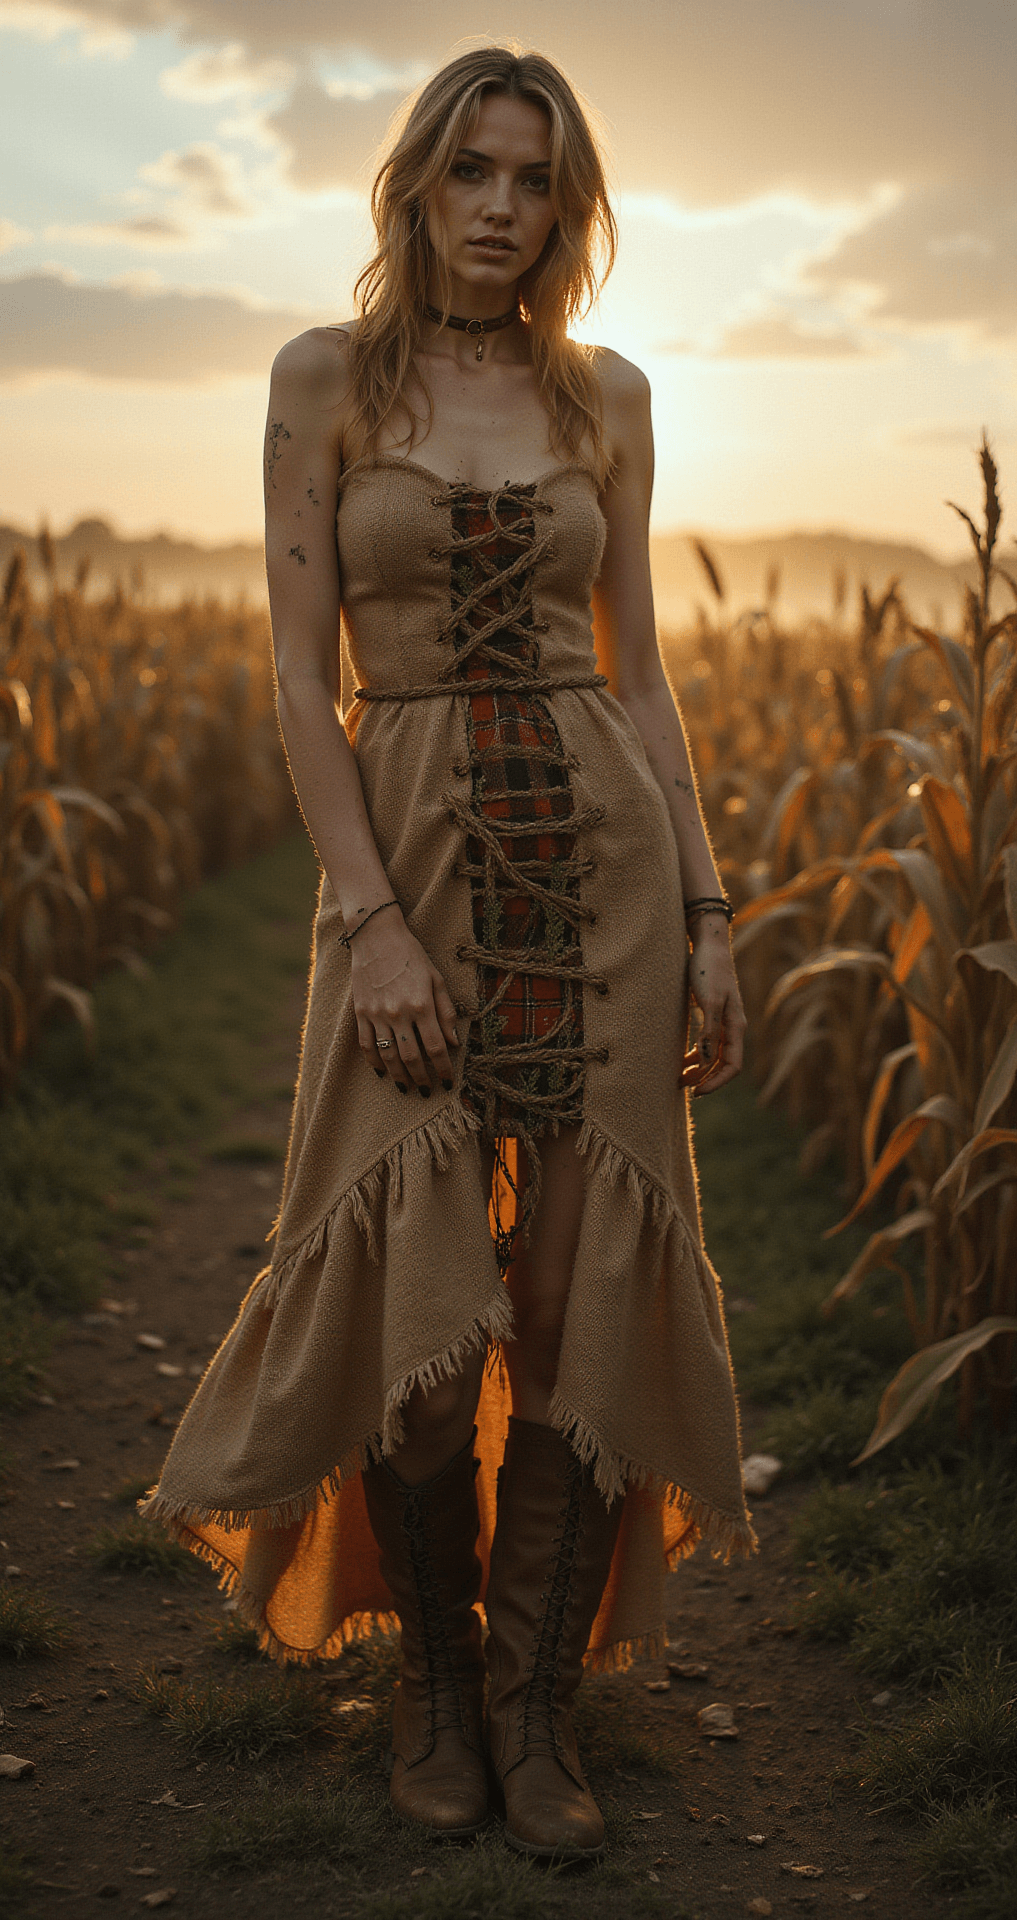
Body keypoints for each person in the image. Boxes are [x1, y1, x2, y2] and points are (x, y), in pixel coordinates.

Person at [142, 45, 754, 1863]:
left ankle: (529, 1710)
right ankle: (424, 1684)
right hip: (404, 852)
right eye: (472, 170)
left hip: (608, 877)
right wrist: (374, 922)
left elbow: (641, 676)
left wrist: (711, 912)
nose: (501, 205)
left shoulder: (613, 397)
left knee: (564, 1313)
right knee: (424, 1331)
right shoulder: (322, 383)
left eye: (535, 178)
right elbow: (299, 685)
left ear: (569, 208)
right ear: (414, 186)